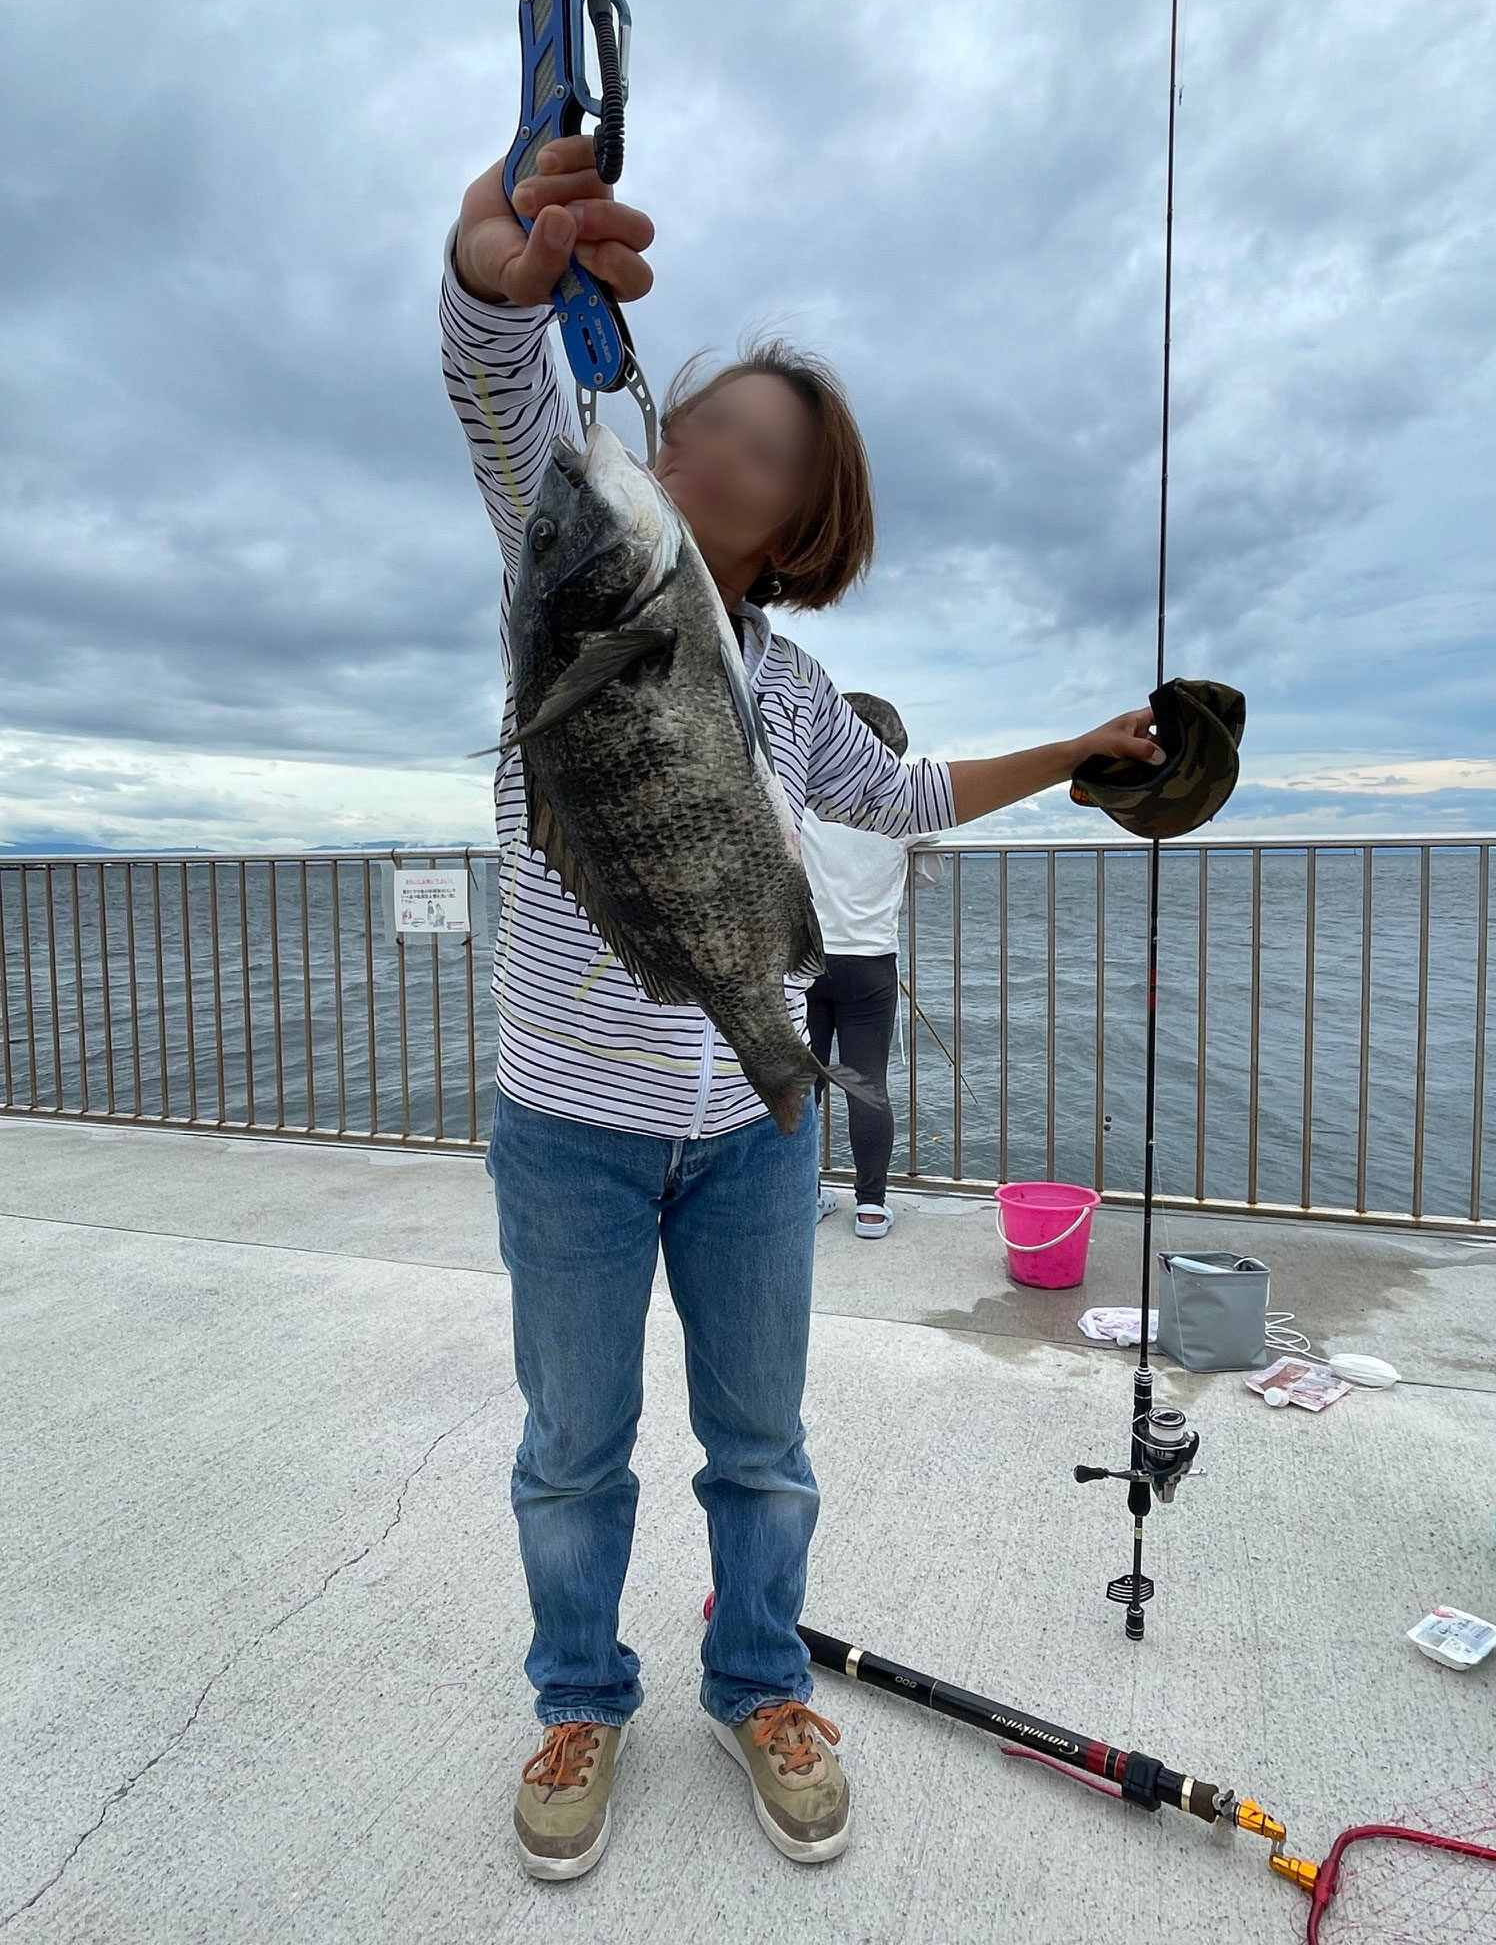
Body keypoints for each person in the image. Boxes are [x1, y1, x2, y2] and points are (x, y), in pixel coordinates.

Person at [442, 136, 1163, 1882]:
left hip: (749, 1136)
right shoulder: (578, 550)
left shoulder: (793, 685)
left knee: (760, 1447)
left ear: (797, 517)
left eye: (761, 450)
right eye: (702, 420)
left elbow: (903, 800)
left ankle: (759, 1679)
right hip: (567, 1129)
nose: (709, 450)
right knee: (573, 1450)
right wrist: (493, 273)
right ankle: (579, 1695)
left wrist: (1073, 751)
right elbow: (493, 375)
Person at [803, 693, 943, 1238]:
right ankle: (871, 1207)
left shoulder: (806, 797)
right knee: (868, 1086)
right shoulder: (899, 808)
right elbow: (928, 874)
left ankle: (801, 1193)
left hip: (805, 959)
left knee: (800, 1084)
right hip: (870, 965)